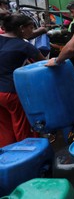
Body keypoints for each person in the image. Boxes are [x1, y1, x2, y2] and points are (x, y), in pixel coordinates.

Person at [0, 14, 45, 147]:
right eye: (31, 28)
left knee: (4, 126)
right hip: (10, 92)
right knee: (22, 124)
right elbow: (44, 63)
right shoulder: (24, 46)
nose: (32, 31)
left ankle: (8, 156)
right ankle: (28, 152)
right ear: (21, 28)